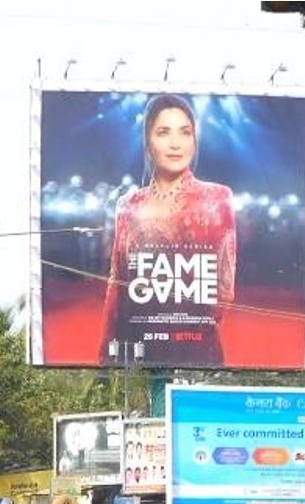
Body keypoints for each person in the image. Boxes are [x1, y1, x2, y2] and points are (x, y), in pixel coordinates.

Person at [98, 93, 237, 367]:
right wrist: (105, 353)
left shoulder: (217, 199)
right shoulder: (128, 204)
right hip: (134, 351)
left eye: (185, 133)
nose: (175, 143)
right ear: (148, 142)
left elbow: (224, 289)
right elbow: (117, 283)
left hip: (195, 350)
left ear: (195, 141)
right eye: (163, 132)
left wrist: (188, 330)